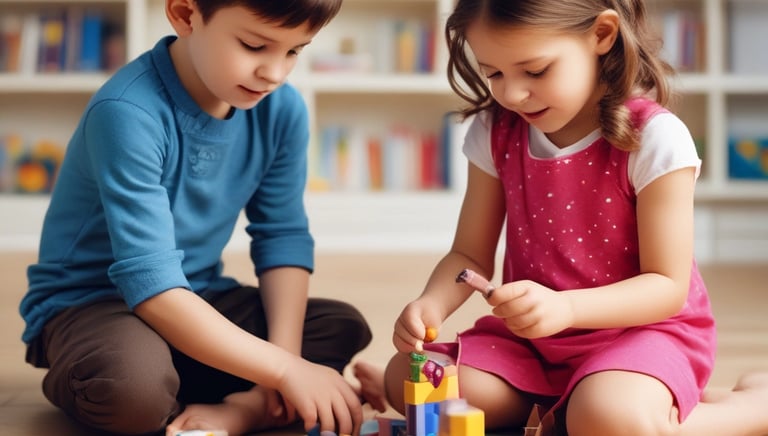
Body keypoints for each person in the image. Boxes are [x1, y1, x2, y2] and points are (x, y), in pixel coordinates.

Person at [354, 0, 768, 435]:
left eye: (535, 71)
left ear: (602, 36)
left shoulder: (655, 138)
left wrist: (567, 307)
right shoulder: (497, 130)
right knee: (410, 378)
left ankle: (751, 407)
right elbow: (468, 254)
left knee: (610, 419)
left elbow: (667, 287)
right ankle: (585, 407)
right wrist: (431, 303)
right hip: (533, 342)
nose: (512, 94)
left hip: (641, 334)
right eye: (494, 72)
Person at [19, 1, 373, 435]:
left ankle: (248, 406)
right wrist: (285, 370)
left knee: (340, 325)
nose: (275, 73)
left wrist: (278, 376)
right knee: (131, 388)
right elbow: (152, 286)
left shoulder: (282, 111)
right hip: (93, 305)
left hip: (197, 296)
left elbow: (281, 236)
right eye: (255, 45)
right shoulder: (127, 111)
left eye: (294, 51)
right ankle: (135, 379)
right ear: (186, 15)